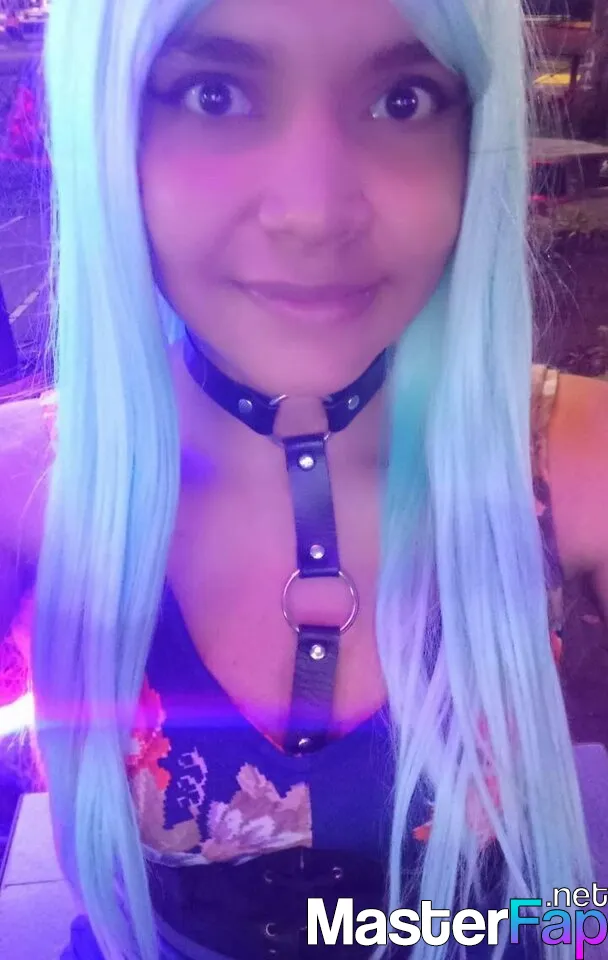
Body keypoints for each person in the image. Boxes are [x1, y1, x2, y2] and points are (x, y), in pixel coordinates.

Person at [0, 0, 607, 958]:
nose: (316, 213)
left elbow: (571, 912)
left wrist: (567, 928)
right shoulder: (29, 492)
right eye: (214, 94)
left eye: (404, 99)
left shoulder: (572, 458)